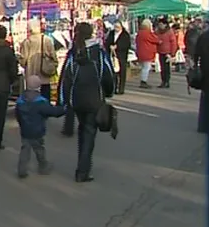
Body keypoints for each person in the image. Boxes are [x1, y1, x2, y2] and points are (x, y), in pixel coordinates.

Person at [58, 22, 114, 183]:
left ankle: (82, 166)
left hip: (77, 99)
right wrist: (108, 92)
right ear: (91, 34)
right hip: (94, 99)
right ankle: (82, 171)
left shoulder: (73, 53)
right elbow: (108, 75)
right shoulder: (99, 53)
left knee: (83, 129)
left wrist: (64, 100)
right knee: (89, 132)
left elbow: (66, 77)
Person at [15, 75, 66, 179]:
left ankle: (22, 169)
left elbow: (18, 116)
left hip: (25, 130)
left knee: (25, 149)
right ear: (39, 87)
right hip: (37, 131)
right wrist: (64, 109)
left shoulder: (20, 101)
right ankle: (43, 167)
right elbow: (53, 112)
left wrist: (21, 124)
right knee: (39, 149)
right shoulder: (41, 102)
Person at [18, 20, 57, 100]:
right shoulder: (47, 40)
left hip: (31, 76)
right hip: (45, 75)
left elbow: (23, 61)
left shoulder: (27, 42)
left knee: (33, 99)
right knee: (45, 97)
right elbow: (53, 57)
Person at [105, 21, 131, 94]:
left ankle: (121, 89)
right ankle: (114, 88)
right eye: (115, 27)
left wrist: (117, 46)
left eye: (118, 27)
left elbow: (127, 45)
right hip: (112, 56)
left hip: (121, 56)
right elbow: (107, 42)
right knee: (114, 73)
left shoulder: (125, 35)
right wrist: (110, 46)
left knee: (122, 73)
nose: (116, 28)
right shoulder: (111, 33)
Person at [135, 19, 160, 89]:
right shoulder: (147, 33)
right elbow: (156, 40)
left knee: (144, 67)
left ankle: (143, 80)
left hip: (141, 52)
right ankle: (143, 81)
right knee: (146, 67)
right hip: (147, 53)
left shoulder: (139, 33)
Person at [156, 20, 177, 88]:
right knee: (162, 67)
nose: (160, 26)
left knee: (166, 68)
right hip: (160, 51)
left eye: (161, 24)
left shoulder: (169, 32)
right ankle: (163, 81)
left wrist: (172, 53)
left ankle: (167, 81)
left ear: (165, 25)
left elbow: (173, 43)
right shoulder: (157, 31)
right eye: (159, 24)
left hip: (167, 53)